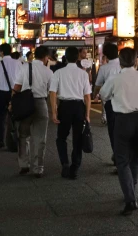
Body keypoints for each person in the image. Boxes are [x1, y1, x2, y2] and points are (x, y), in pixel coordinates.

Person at [99, 47, 138, 216]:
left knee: (122, 160)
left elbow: (103, 95)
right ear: (136, 60)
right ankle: (133, 187)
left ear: (120, 61)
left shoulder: (114, 78)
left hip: (122, 121)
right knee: (134, 158)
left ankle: (130, 198)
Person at [50, 46, 92, 179]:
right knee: (77, 138)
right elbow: (87, 97)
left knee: (61, 137)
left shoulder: (58, 73)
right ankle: (75, 167)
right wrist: (87, 114)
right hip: (79, 107)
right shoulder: (83, 74)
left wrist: (54, 112)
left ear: (66, 58)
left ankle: (65, 164)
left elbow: (53, 92)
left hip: (65, 107)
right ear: (78, 57)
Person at [13, 46, 54, 178]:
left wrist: (12, 102)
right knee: (40, 138)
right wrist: (54, 110)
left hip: (25, 103)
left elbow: (17, 87)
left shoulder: (25, 67)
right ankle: (38, 168)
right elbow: (51, 92)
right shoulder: (48, 72)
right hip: (41, 103)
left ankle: (24, 165)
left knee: (23, 135)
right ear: (45, 57)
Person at [0, 43, 22, 150]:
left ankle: (1, 140)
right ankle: (14, 141)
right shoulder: (18, 63)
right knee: (15, 117)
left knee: (0, 117)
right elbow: (21, 81)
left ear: (2, 52)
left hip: (1, 93)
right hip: (14, 93)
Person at [94, 43, 121, 162]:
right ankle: (124, 155)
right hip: (125, 101)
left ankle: (116, 153)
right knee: (124, 128)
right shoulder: (124, 65)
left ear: (106, 55)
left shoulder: (104, 68)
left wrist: (95, 94)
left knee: (113, 129)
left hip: (110, 102)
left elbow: (98, 85)